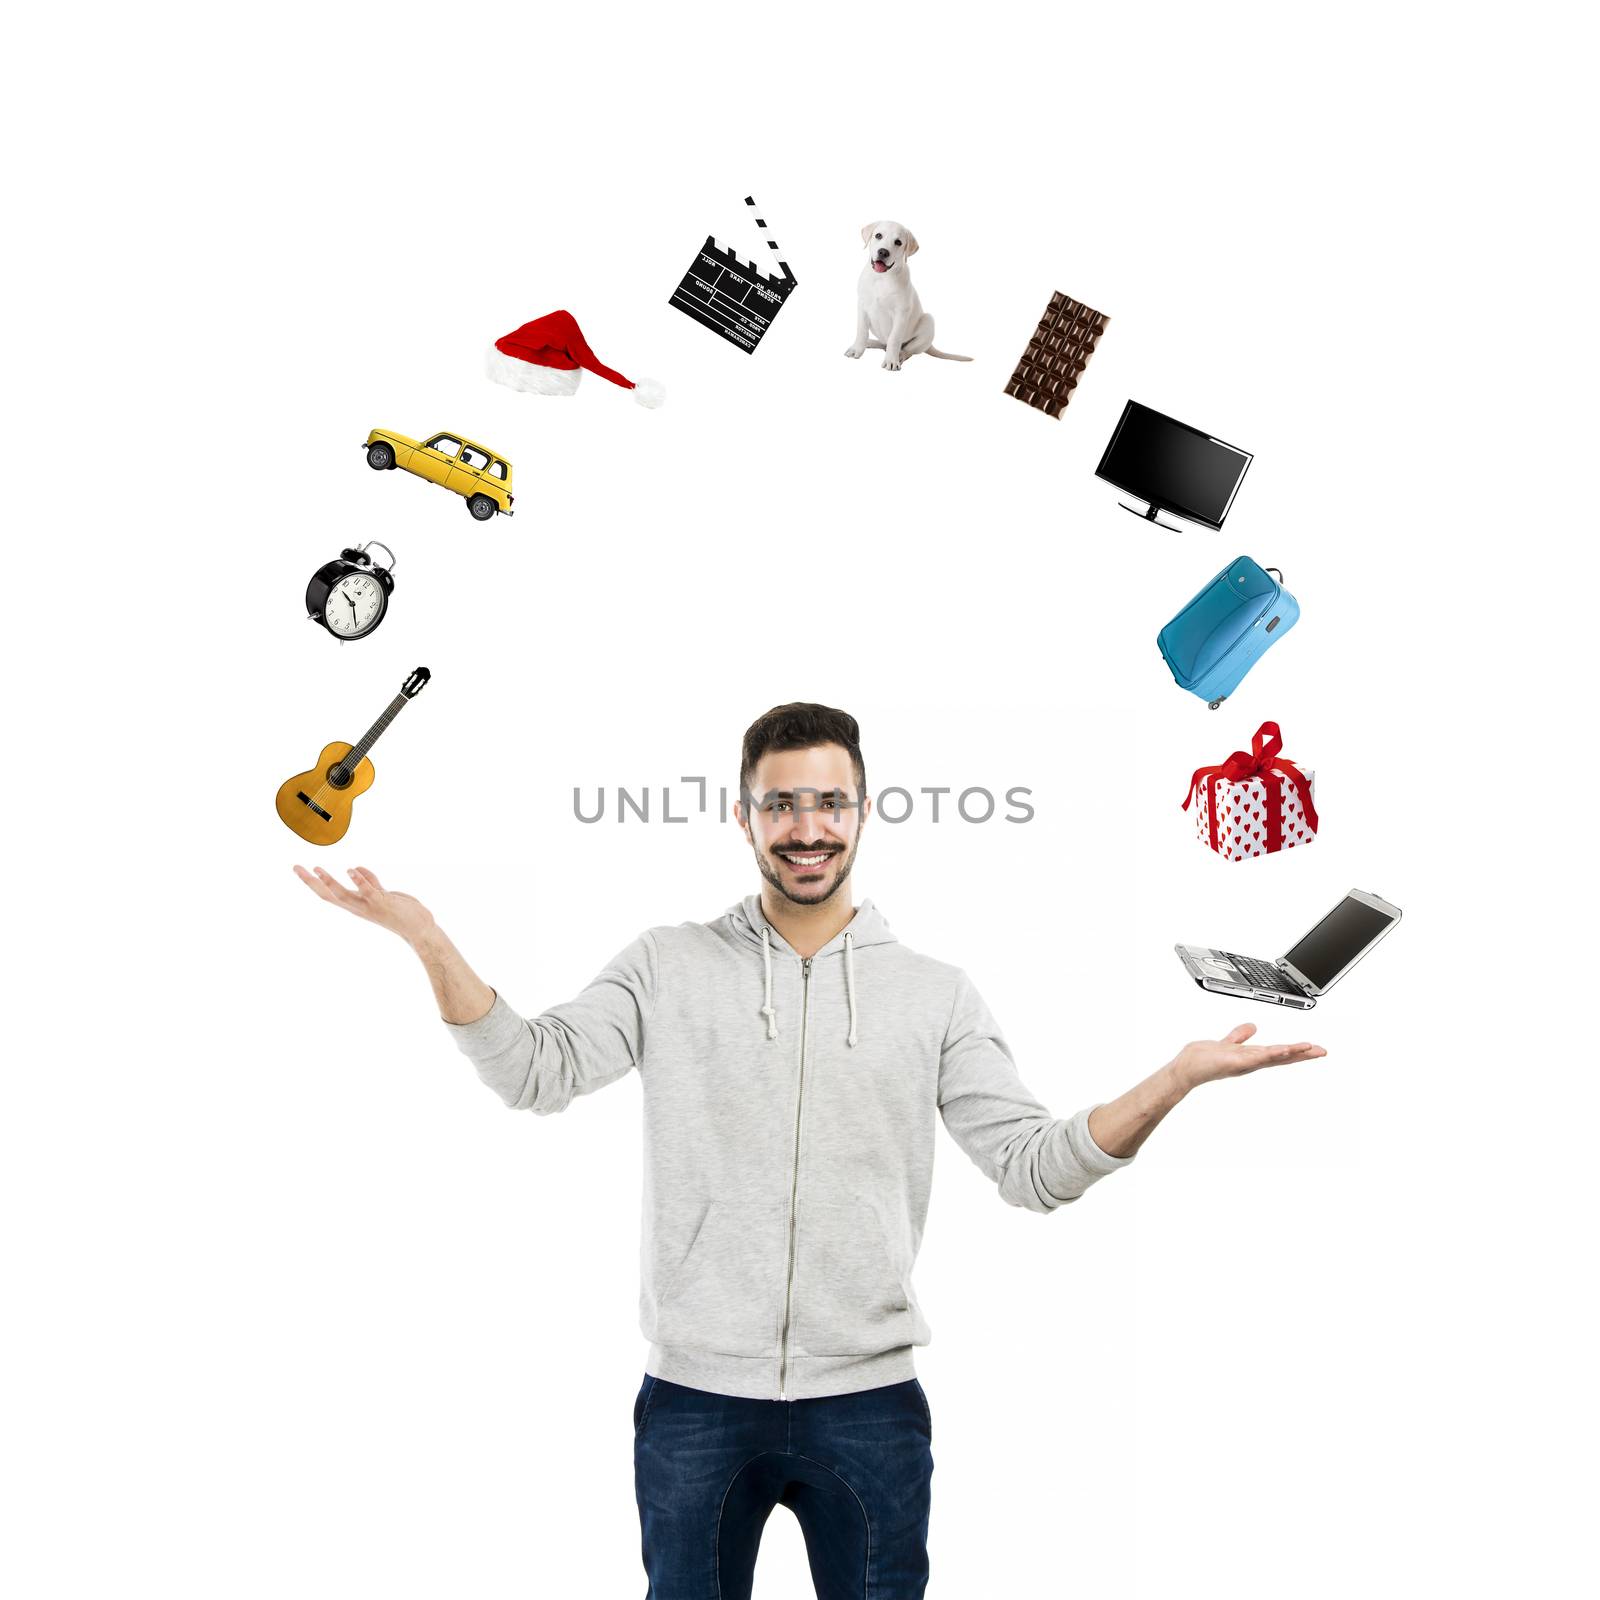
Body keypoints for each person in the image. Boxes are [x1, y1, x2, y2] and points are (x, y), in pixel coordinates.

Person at [294, 702, 1326, 1599]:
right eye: (780, 804)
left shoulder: (933, 992)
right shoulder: (667, 962)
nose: (806, 828)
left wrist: (1177, 1078)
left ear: (863, 813)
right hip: (694, 1401)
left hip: (868, 1407)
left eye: (829, 802)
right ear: (742, 816)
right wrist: (427, 940)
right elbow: (534, 1070)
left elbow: (1035, 1166)